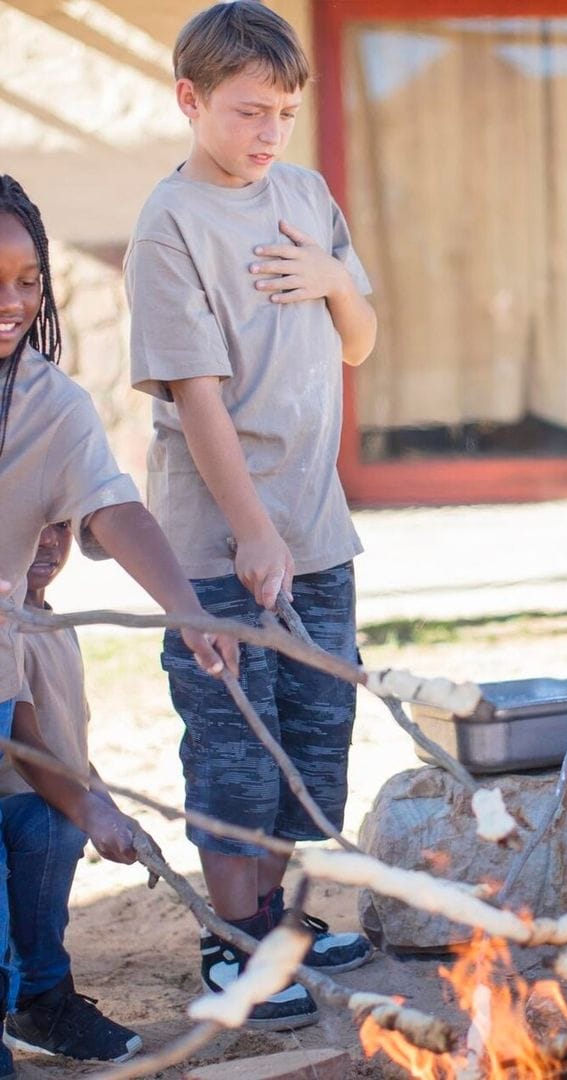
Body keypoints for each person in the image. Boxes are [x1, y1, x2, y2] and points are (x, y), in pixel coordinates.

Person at [124, 1, 378, 1030]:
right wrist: (254, 531)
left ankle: (302, 920)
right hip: (221, 547)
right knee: (236, 743)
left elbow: (359, 340)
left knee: (319, 736)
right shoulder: (167, 224)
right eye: (245, 113)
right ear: (189, 100)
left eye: (282, 112)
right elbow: (197, 399)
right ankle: (235, 943)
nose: (268, 135)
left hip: (320, 532)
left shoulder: (308, 195)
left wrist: (331, 280)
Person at [0, 175, 236, 1077]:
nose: (13, 302)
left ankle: (42, 997)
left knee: (46, 824)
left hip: (15, 655)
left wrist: (186, 607)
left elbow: (112, 507)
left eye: (28, 281)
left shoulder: (51, 403)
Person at [1, 523, 144, 1063]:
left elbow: (72, 748)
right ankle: (40, 999)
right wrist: (87, 815)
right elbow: (27, 746)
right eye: (30, 525)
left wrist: (111, 811)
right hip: (22, 809)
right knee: (54, 824)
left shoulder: (59, 623)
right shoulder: (7, 625)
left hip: (52, 798)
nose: (46, 542)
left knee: (64, 820)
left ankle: (36, 993)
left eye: (59, 527)